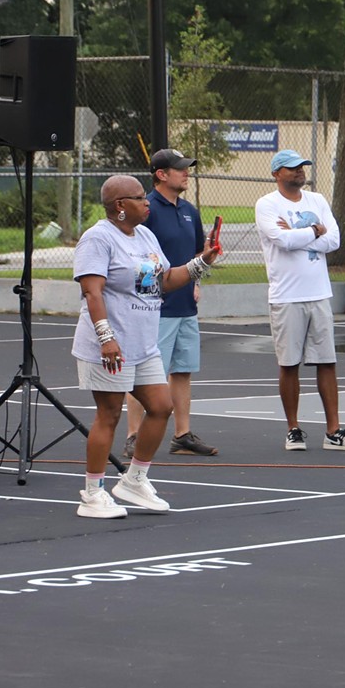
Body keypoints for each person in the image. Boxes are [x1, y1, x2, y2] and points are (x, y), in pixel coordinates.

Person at [71, 174, 220, 519]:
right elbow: (92, 292)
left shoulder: (145, 235)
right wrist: (106, 339)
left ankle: (134, 479)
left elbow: (165, 281)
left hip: (142, 343)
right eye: (140, 198)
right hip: (109, 345)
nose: (147, 202)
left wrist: (202, 262)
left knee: (161, 405)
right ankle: (92, 494)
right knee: (108, 415)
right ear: (120, 206)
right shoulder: (98, 239)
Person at [254, 149, 345, 452]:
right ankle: (293, 429)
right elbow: (282, 241)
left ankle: (333, 430)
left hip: (319, 295)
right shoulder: (266, 204)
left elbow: (334, 240)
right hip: (287, 296)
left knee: (327, 362)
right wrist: (314, 231)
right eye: (292, 168)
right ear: (277, 173)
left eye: (302, 166)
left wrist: (303, 233)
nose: (299, 171)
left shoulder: (317, 201)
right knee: (289, 364)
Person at [121, 149, 218, 460]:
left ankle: (182, 434)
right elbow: (137, 254)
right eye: (180, 169)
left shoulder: (189, 209)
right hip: (156, 308)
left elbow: (195, 252)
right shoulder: (146, 210)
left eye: (187, 168)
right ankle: (134, 434)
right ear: (161, 174)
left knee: (183, 370)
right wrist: (148, 295)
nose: (186, 173)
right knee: (145, 373)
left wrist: (197, 282)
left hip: (185, 305)